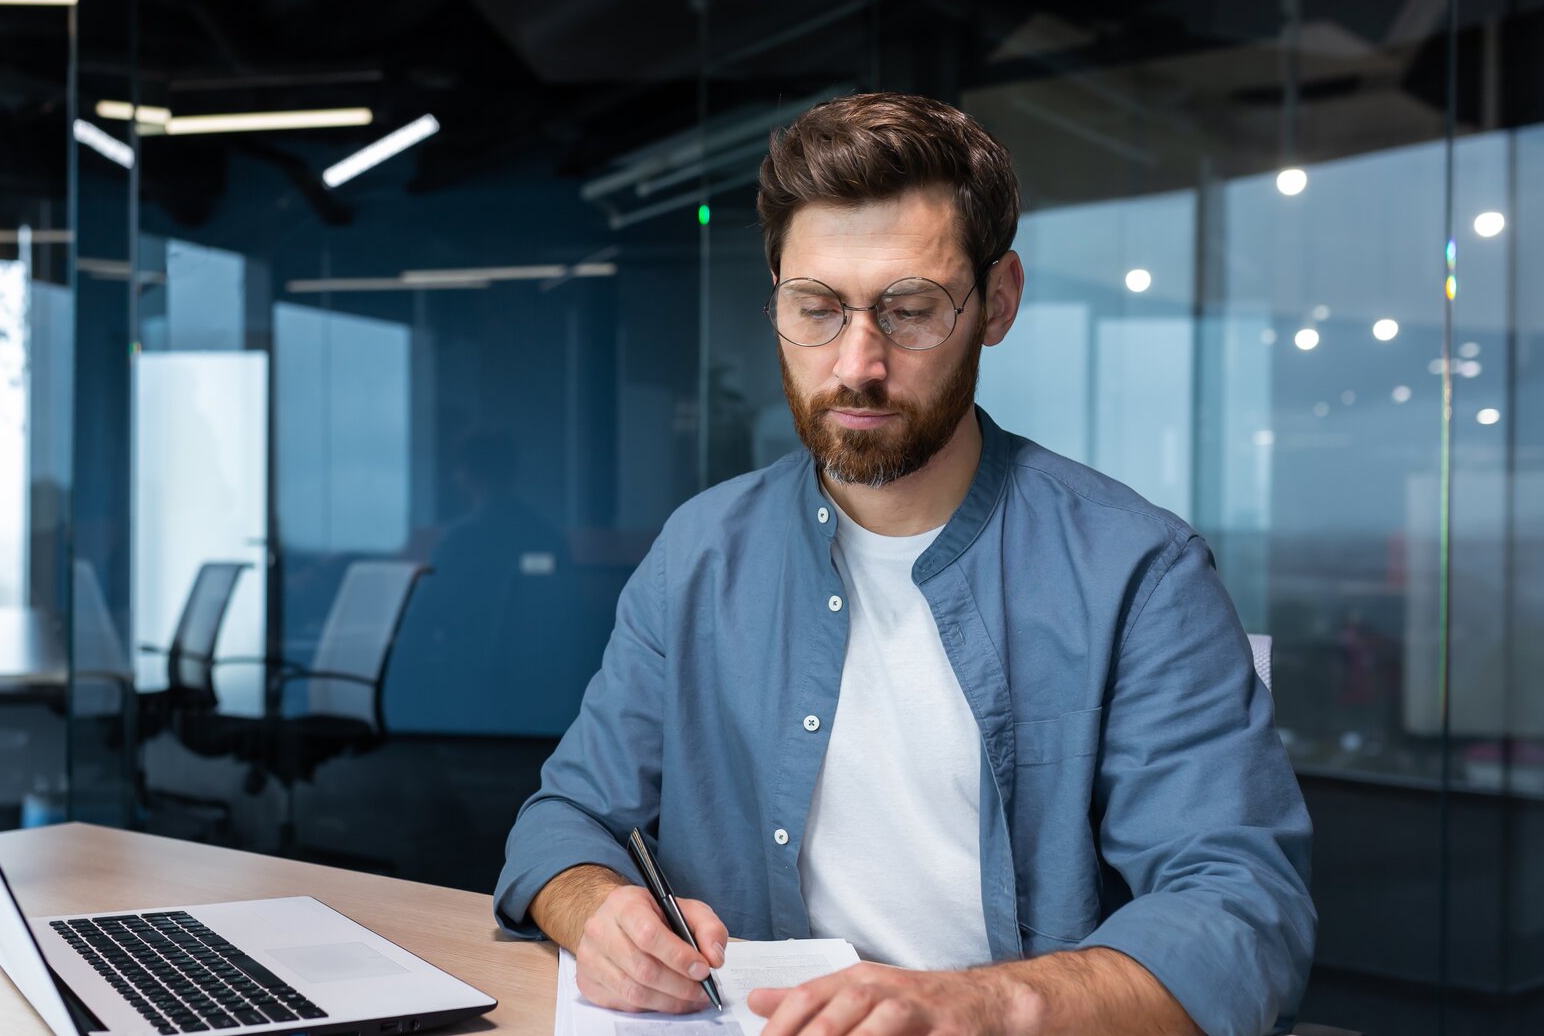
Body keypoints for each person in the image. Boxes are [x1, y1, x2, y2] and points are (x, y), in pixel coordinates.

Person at [492, 93, 1313, 1036]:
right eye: (817, 309)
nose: (857, 363)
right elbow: (565, 819)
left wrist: (979, 1003)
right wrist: (594, 909)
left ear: (996, 302)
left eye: (910, 310)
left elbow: (1244, 913)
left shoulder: (1139, 573)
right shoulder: (700, 553)